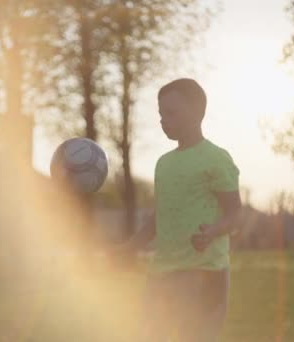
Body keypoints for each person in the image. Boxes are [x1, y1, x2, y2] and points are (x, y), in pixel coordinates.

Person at [115, 78, 242, 341]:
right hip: (161, 271)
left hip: (204, 272)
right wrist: (132, 245)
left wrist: (214, 230)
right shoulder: (164, 164)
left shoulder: (216, 158)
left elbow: (235, 213)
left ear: (197, 112)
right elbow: (160, 216)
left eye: (171, 113)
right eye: (161, 114)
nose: (164, 120)